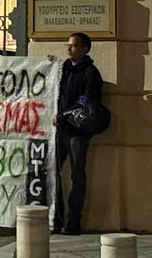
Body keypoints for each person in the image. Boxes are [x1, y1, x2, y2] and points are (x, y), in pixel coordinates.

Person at [52, 31, 103, 235]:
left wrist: (63, 114)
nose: (69, 48)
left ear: (84, 49)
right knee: (52, 172)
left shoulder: (91, 73)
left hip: (77, 132)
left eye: (73, 45)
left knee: (77, 175)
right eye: (68, 45)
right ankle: (56, 217)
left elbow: (87, 101)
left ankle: (74, 220)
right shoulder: (63, 69)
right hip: (60, 130)